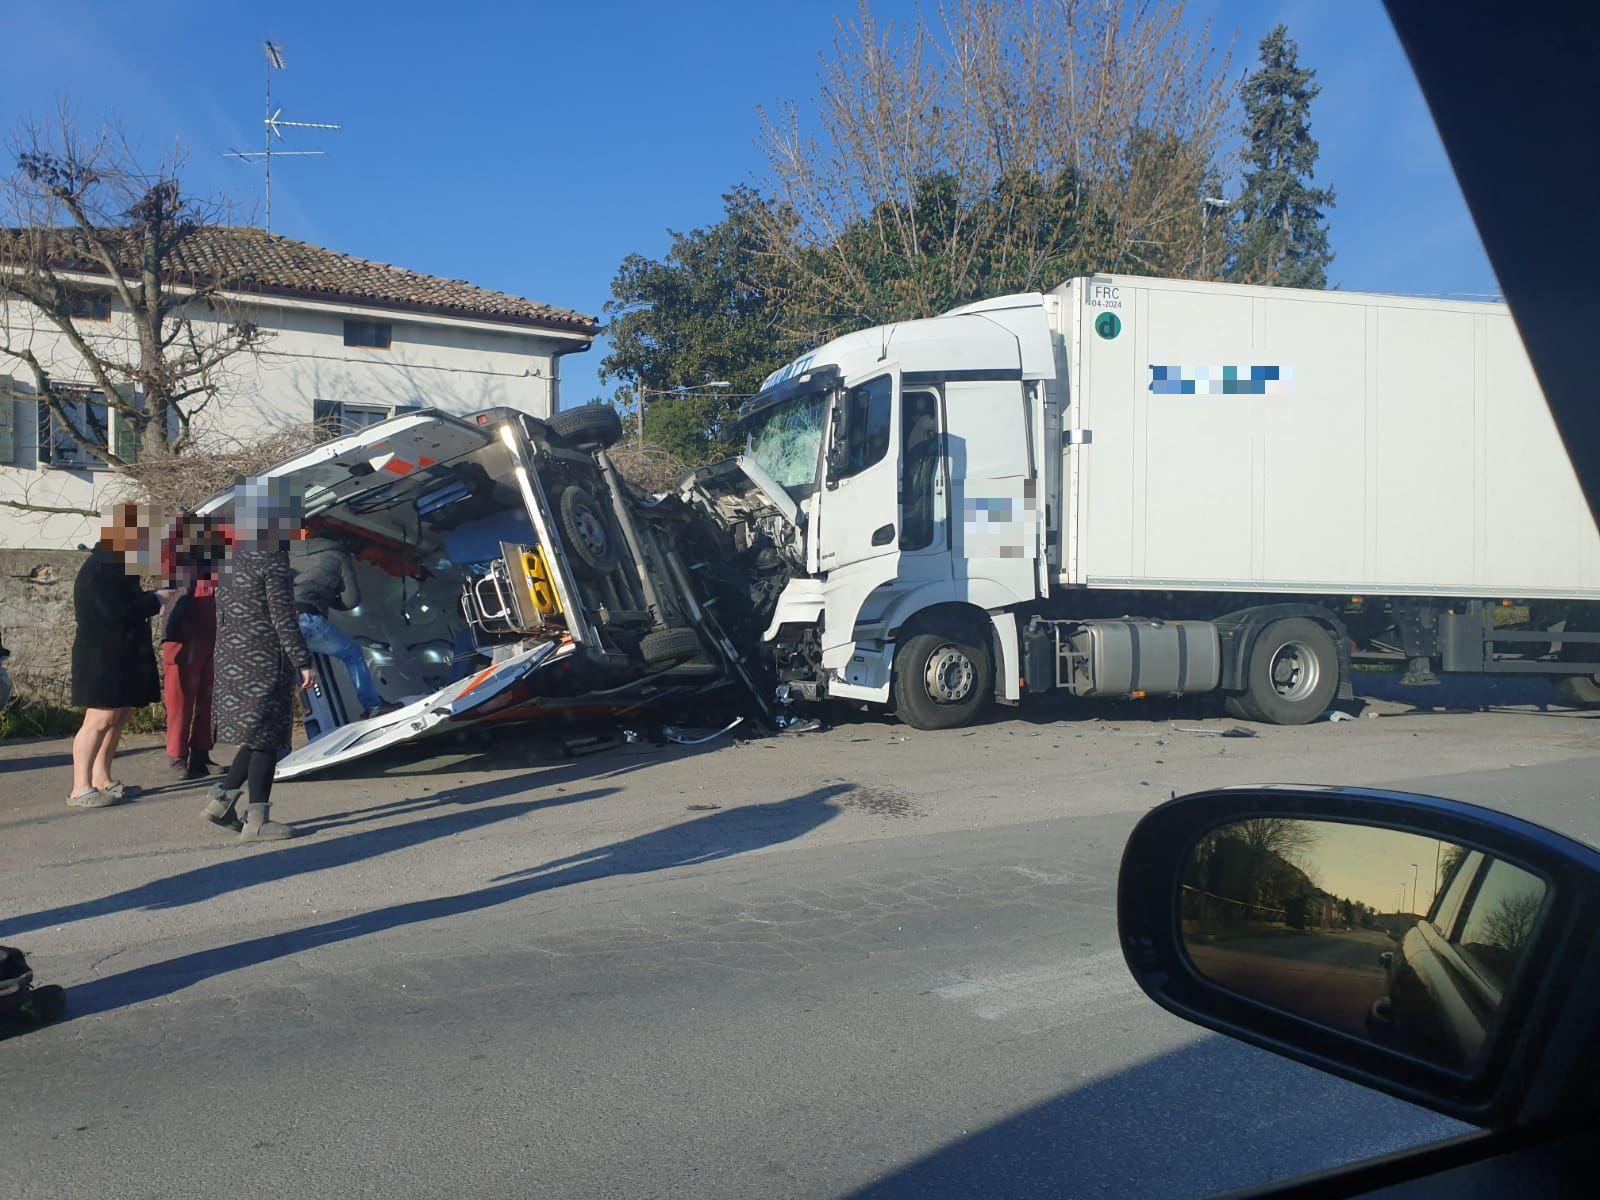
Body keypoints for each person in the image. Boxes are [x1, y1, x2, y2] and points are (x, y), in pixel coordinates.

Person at [206, 478, 317, 842]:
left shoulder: (230, 558)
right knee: (267, 739)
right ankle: (257, 821)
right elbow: (283, 618)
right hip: (264, 660)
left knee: (255, 738)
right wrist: (303, 661)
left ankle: (221, 801)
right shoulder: (273, 559)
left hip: (231, 657)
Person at [68, 502, 179, 808]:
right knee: (100, 717)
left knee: (119, 715)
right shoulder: (102, 567)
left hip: (118, 653)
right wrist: (155, 599)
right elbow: (113, 613)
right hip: (101, 656)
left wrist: (152, 597)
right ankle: (80, 787)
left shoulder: (117, 564)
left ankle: (102, 778)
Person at [288, 527, 394, 720]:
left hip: (280, 620)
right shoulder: (337, 555)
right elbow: (351, 600)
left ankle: (301, 715)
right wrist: (328, 601)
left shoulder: (283, 553)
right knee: (352, 654)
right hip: (308, 617)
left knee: (291, 664)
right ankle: (374, 705)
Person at [160, 513, 222, 779]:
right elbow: (165, 557)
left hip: (213, 638)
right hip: (184, 640)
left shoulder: (218, 569)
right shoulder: (178, 565)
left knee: (210, 698)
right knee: (179, 700)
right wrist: (180, 524)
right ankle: (177, 756)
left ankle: (200, 753)